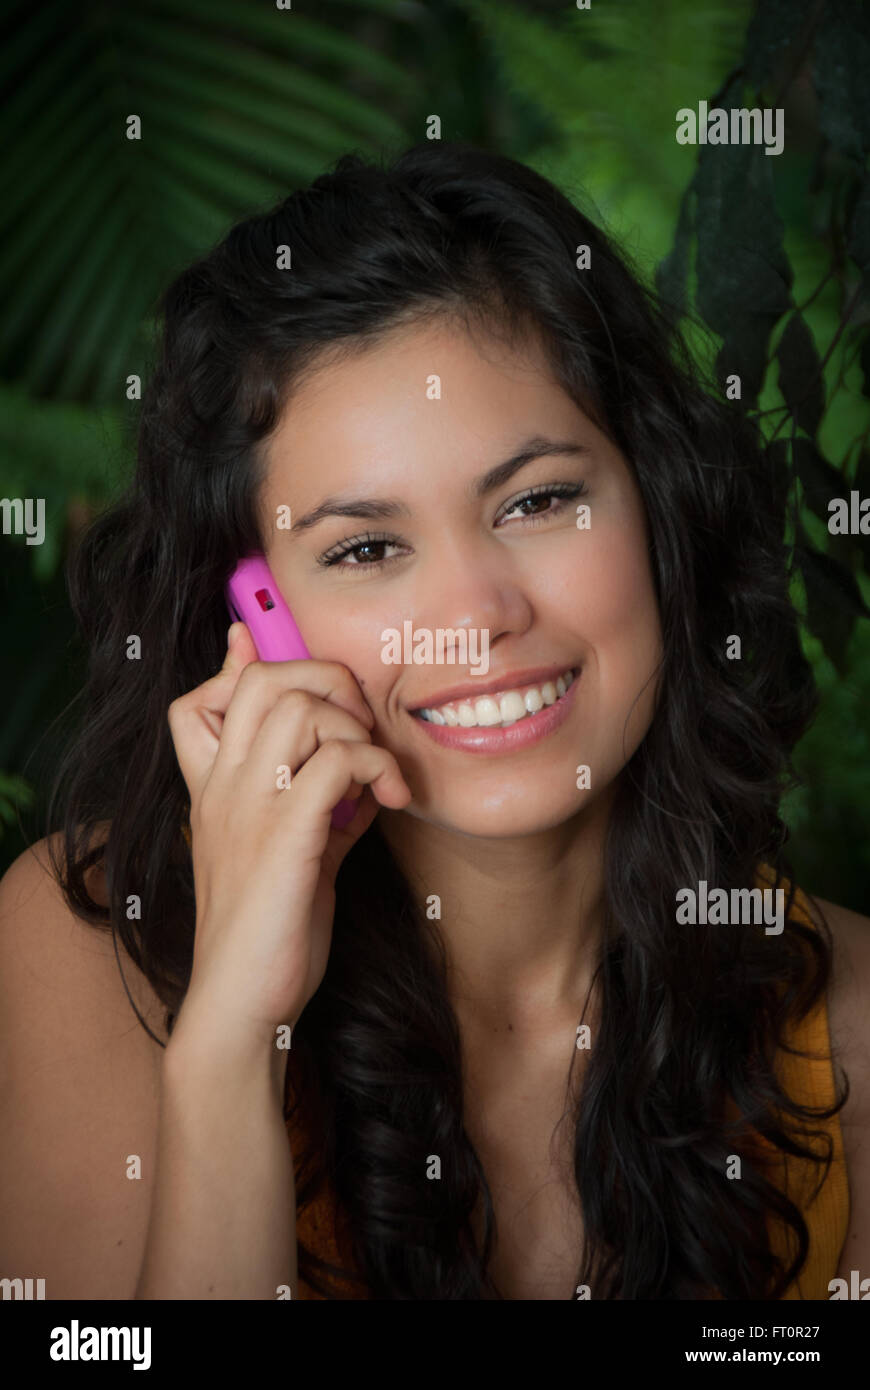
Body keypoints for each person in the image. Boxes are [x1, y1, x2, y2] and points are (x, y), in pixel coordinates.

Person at [0, 140, 867, 1301]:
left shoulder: (853, 1020)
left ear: (657, 511)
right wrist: (227, 1046)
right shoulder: (84, 945)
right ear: (256, 622)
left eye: (539, 499)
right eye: (366, 547)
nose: (475, 616)